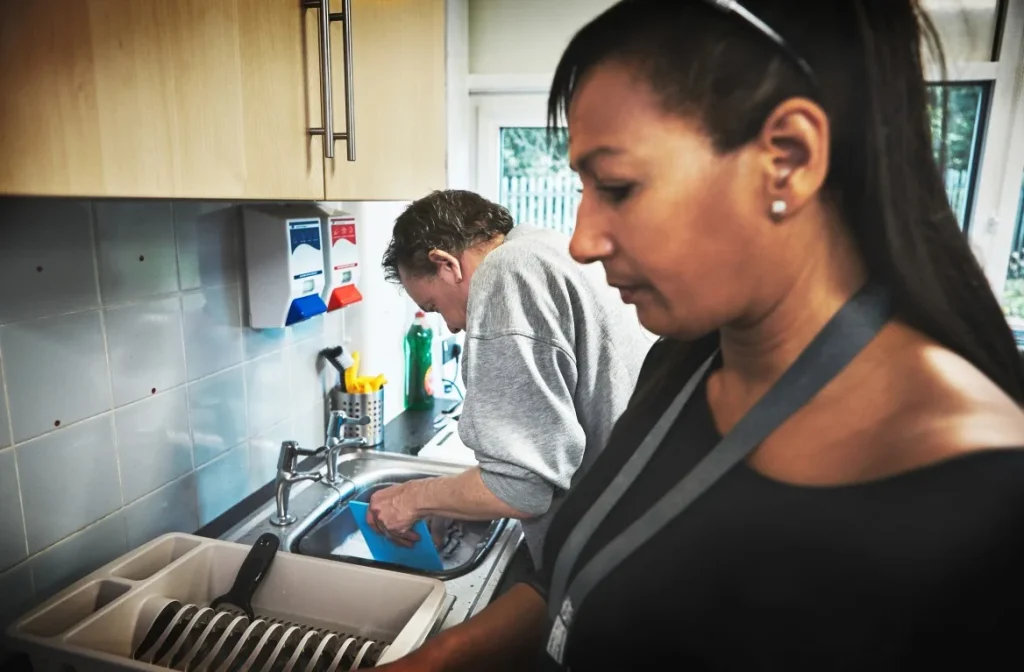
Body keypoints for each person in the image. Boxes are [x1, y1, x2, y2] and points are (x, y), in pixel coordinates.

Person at [375, 1, 1024, 670]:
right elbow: (584, 570)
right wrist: (448, 655)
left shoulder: (982, 504)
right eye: (583, 188)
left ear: (788, 159)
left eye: (618, 186)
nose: (584, 239)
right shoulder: (684, 363)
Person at [369, 189, 652, 568]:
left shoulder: (506, 275)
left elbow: (521, 490)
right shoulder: (541, 245)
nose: (452, 327)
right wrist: (453, 499)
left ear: (446, 264)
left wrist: (412, 498)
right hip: (642, 518)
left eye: (434, 307)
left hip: (617, 552)